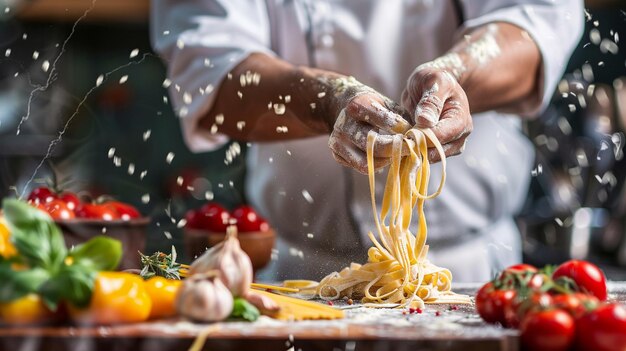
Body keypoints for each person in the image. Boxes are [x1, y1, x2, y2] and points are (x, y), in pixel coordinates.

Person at [151, 0, 583, 282]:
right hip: (297, 276)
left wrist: (458, 73)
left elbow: (535, 24)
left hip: (469, 276)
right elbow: (208, 69)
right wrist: (326, 100)